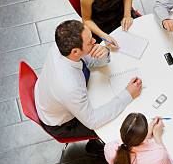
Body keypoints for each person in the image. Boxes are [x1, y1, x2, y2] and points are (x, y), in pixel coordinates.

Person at [34, 20, 142, 153]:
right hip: (63, 124)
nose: (95, 42)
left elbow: (91, 61)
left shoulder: (62, 47)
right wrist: (128, 94)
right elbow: (93, 121)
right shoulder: (69, 87)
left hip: (52, 97)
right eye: (90, 41)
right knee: (120, 118)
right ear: (75, 52)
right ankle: (97, 147)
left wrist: (104, 52)